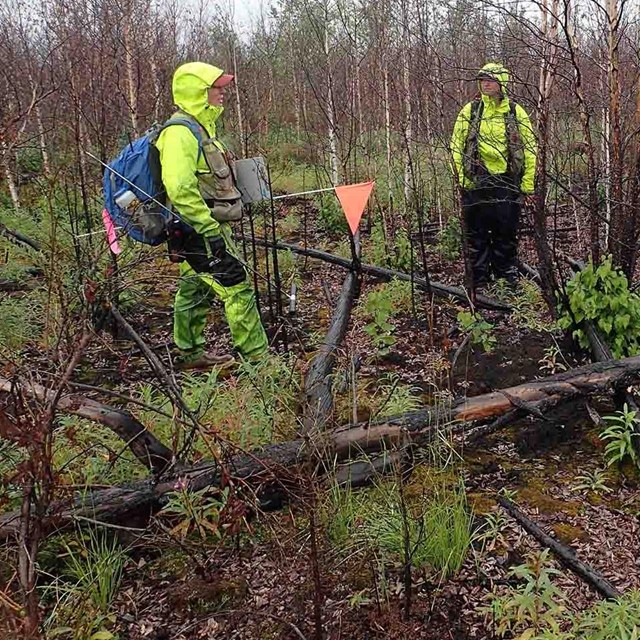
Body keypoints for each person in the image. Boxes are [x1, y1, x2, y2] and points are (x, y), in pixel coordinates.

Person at [155, 62, 268, 368]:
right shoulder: (179, 132)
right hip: (197, 229)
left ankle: (190, 353)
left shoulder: (201, 128)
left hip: (204, 227)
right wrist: (209, 230)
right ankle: (258, 361)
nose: (222, 94)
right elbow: (179, 186)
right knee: (237, 286)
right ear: (198, 92)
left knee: (196, 288)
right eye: (216, 88)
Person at [450, 62, 537, 290]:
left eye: (490, 80)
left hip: (507, 182)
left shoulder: (515, 112)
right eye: (482, 80)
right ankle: (479, 279)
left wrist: (527, 184)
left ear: (502, 84)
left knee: (506, 232)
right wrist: (463, 179)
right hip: (476, 181)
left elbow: (530, 148)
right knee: (476, 233)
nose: (485, 83)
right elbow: (456, 146)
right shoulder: (471, 111)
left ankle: (505, 277)